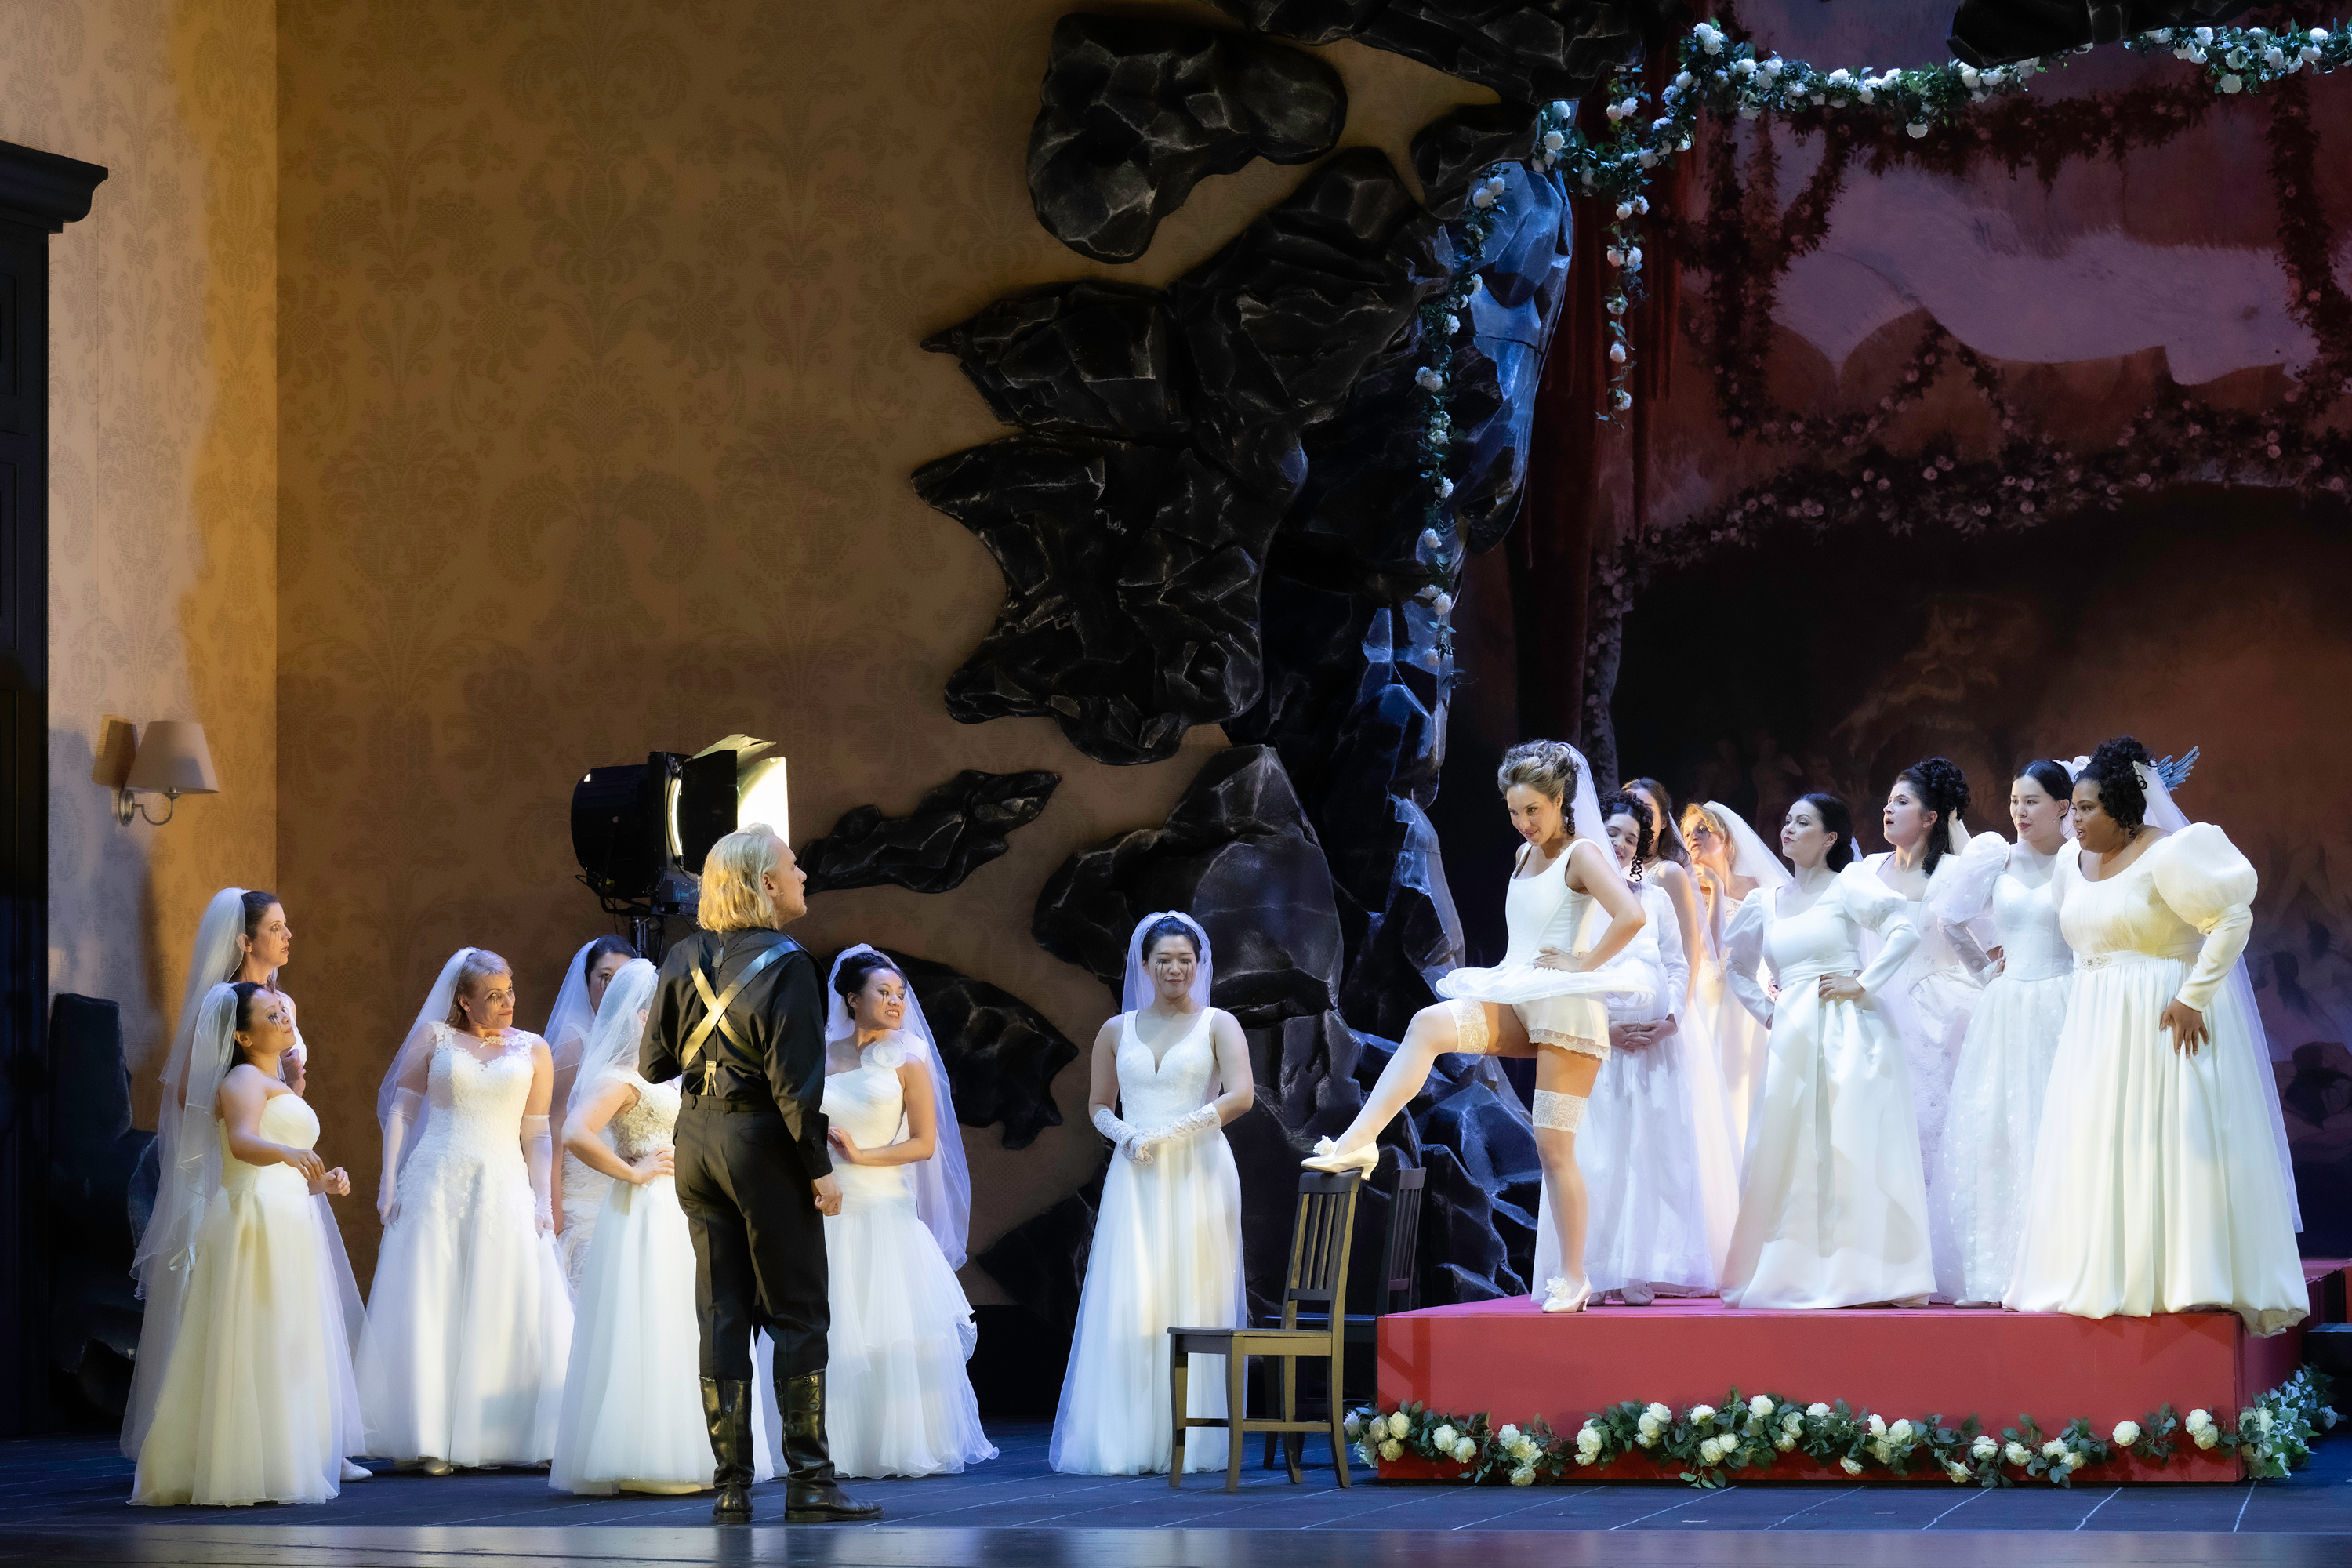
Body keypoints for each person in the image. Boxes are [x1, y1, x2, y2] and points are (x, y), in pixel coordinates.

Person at [1304, 740, 1648, 1315]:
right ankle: (1358, 1142)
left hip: (1567, 1015)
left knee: (1554, 1149)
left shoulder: (1583, 855)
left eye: (1533, 810)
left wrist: (1582, 965)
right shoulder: (1523, 855)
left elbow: (1631, 916)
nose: (1524, 822)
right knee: (1428, 1025)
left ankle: (1575, 1276)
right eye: (1514, 811)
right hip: (1520, 995)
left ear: (1559, 800)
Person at [2005, 738, 2306, 1334]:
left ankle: (2184, 1276)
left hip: (2163, 1013)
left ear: (2122, 808)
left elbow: (2231, 919)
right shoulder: (2069, 863)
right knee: (2104, 1141)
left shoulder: (2170, 853)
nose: (2074, 821)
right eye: (2074, 809)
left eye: (2087, 809)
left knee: (2169, 1137)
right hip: (2097, 1020)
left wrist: (2194, 996)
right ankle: (2109, 1273)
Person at [641, 826, 879, 1525]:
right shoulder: (791, 963)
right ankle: (810, 1482)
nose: (803, 875)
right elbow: (795, 1088)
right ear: (766, 884)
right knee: (798, 1312)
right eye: (793, 866)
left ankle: (731, 1488)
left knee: (722, 1312)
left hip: (696, 1143)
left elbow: (654, 1064)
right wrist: (819, 1171)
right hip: (762, 1148)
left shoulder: (681, 956)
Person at [124, 889, 368, 1484]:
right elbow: (192, 1093)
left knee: (298, 1312)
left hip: (285, 1177)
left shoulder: (282, 1005)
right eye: (276, 927)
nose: (287, 936)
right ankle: (230, 1439)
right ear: (245, 939)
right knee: (244, 1309)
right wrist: (245, 1103)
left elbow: (280, 1097)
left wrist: (292, 1084)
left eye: (287, 926)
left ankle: (307, 1440)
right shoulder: (225, 1006)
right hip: (242, 1173)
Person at [756, 946, 993, 1478]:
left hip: (884, 1208)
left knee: (889, 1328)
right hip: (826, 1207)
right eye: (883, 993)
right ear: (851, 999)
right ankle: (821, 1446)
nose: (895, 1002)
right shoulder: (813, 1056)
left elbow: (924, 1144)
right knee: (830, 1328)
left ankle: (893, 1442)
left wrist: (863, 1156)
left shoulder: (908, 1063)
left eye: (900, 994)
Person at [1051, 913, 1251, 1474]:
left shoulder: (1218, 1023)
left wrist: (1174, 1131)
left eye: (1185, 959)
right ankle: (1129, 1436)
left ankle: (1192, 1437)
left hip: (1199, 1170)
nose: (1175, 969)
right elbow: (1098, 1104)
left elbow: (1241, 1096)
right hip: (1136, 1171)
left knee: (1193, 1294)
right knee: (1132, 1296)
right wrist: (1128, 1134)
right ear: (1145, 965)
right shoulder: (1116, 1030)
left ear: (1199, 964)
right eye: (1164, 959)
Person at [358, 949, 573, 1472]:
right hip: (437, 1178)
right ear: (464, 1001)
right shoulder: (435, 1039)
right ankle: (431, 1436)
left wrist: (543, 1200)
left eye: (510, 990)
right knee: (434, 1298)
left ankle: (503, 1433)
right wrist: (389, 1182)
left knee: (502, 1297)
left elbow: (538, 1132)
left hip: (501, 1180)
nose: (508, 1002)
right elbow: (401, 1109)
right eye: (494, 996)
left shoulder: (533, 1048)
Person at [1719, 793, 1934, 1310]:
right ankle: (1798, 1267)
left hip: (1850, 1031)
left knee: (1852, 1143)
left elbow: (1903, 931)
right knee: (1792, 1147)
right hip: (1793, 1033)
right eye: (1787, 820)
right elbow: (1737, 967)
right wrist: (1768, 1011)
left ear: (1829, 838)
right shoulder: (1764, 902)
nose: (1789, 829)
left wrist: (1863, 982)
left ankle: (1874, 1271)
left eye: (1803, 822)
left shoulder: (1849, 884)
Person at [552, 956, 755, 1495]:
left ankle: (698, 1450)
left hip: (688, 1206)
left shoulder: (676, 1072)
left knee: (693, 1322)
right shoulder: (621, 1077)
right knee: (654, 1319)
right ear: (643, 1016)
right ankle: (649, 1457)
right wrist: (633, 1171)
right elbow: (575, 1133)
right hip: (649, 1208)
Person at [1549, 793, 1739, 1304]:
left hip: (1656, 1047)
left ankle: (1646, 1265)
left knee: (1654, 1156)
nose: (1620, 843)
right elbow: (1562, 973)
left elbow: (1677, 962)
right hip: (1599, 1046)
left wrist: (1670, 1019)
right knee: (1601, 1158)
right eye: (1612, 832)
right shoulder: (1575, 899)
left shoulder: (1653, 899)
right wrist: (1603, 1029)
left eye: (1631, 838)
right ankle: (1599, 1268)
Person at [1927, 760, 2075, 1305]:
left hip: (2066, 999)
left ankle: (2061, 1262)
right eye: (2015, 801)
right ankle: (1996, 1267)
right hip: (2008, 1006)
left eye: (2032, 801)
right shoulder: (1997, 856)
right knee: (1999, 1129)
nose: (2019, 811)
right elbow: (1951, 920)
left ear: (2063, 807)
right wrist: (1986, 971)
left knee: (2058, 1125)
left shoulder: (2078, 860)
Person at [1862, 757, 1989, 1299]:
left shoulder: (1957, 873)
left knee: (1934, 1135)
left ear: (1932, 817)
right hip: (1873, 1012)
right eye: (1888, 801)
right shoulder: (1866, 870)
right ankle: (1882, 1262)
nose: (1888, 809)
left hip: (1940, 1012)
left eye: (1903, 802)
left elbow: (1989, 940)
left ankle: (1939, 1263)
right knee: (1876, 1139)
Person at [1682, 802, 1791, 1152]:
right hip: (1711, 1002)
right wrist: (1714, 889)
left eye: (1704, 829)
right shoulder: (1687, 890)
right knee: (1719, 1092)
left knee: (1755, 1091)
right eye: (1688, 833)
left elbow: (1781, 937)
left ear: (1726, 839)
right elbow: (1711, 951)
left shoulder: (1759, 887)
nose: (1694, 837)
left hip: (1753, 1002)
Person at [543, 935, 644, 1289]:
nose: (613, 987)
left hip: (621, 1177)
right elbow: (553, 1126)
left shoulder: (638, 1041)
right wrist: (552, 1202)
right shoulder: (574, 1041)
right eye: (604, 977)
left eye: (622, 978)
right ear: (588, 982)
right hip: (580, 1184)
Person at [1621, 777, 1704, 1007]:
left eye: (1647, 811)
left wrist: (1676, 1013)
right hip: (1618, 993)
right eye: (1632, 809)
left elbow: (1689, 952)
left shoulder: (1669, 873)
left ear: (1664, 821)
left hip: (1659, 998)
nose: (1639, 818)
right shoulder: (1612, 871)